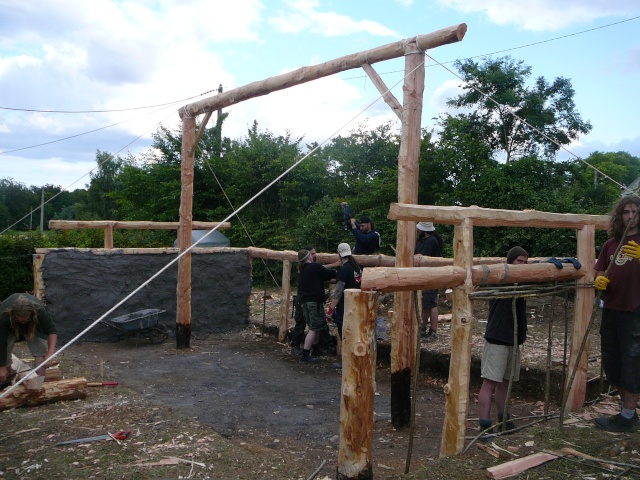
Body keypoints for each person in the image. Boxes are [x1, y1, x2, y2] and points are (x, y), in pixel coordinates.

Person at [593, 195, 640, 433]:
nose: (630, 217)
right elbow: (600, 268)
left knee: (632, 363)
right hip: (611, 310)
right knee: (614, 362)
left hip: (635, 311)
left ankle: (628, 416)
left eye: (634, 212)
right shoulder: (611, 244)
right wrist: (599, 279)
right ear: (619, 215)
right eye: (626, 212)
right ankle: (626, 412)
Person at [477, 246, 529, 436]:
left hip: (514, 339)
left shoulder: (523, 281)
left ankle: (504, 419)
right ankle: (484, 425)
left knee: (505, 382)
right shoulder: (500, 277)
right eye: (519, 261)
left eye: (525, 262)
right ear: (510, 262)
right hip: (497, 338)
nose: (522, 266)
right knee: (489, 383)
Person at [0, 293, 58, 385]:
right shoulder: (4, 316)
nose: (22, 323)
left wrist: (50, 353)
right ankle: (7, 380)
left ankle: (39, 383)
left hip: (34, 326)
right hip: (10, 327)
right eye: (20, 320)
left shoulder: (39, 311)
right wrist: (2, 366)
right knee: (5, 356)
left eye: (25, 320)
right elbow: (1, 342)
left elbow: (52, 331)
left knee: (41, 352)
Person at [297, 249, 337, 363]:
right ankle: (305, 355)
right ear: (309, 257)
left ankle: (315, 350)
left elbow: (322, 276)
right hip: (314, 302)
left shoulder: (303, 269)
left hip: (306, 302)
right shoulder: (315, 267)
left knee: (316, 326)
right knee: (314, 328)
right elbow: (330, 274)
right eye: (312, 254)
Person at [414, 221, 444, 342]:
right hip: (424, 275)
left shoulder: (431, 240)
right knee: (426, 304)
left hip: (431, 275)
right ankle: (423, 328)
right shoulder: (423, 240)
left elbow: (422, 256)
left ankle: (433, 331)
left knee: (431, 304)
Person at [326, 243, 362, 340]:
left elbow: (338, 292)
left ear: (339, 253)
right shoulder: (356, 267)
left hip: (346, 303)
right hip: (357, 301)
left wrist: (330, 310)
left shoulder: (344, 270)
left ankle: (347, 352)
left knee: (344, 329)